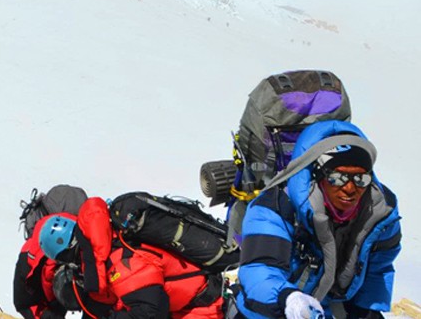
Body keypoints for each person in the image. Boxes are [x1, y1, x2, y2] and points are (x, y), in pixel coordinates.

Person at [235, 120, 401, 319]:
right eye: (337, 177)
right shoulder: (275, 207)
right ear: (317, 175)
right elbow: (260, 268)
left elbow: (379, 267)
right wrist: (288, 299)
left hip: (330, 307)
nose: (350, 188)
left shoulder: (381, 211)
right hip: (273, 307)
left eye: (360, 179)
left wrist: (367, 310)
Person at [40, 198, 224, 319]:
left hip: (200, 310)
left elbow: (152, 312)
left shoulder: (120, 262)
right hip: (182, 307)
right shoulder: (108, 241)